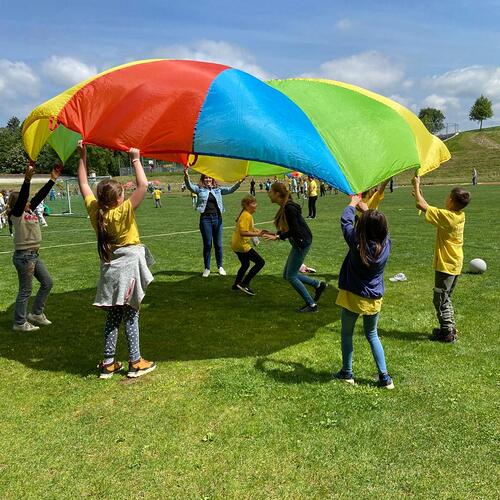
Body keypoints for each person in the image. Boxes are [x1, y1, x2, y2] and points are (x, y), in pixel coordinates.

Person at [78, 142, 156, 379]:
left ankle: (108, 363)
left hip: (110, 269)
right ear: (119, 199)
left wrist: (82, 156)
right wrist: (135, 158)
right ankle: (136, 362)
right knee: (131, 314)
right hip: (128, 268)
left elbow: (83, 184)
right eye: (122, 194)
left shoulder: (96, 211)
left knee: (113, 316)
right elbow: (143, 185)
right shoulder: (122, 211)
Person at [334, 194, 394, 389]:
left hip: (353, 295)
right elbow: (379, 228)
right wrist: (367, 210)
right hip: (374, 297)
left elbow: (345, 222)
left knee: (347, 334)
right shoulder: (386, 243)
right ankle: (385, 378)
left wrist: (352, 204)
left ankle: (347, 373)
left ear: (362, 228)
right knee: (372, 334)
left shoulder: (356, 242)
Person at [412, 176, 470, 343]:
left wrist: (416, 185)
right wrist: (419, 194)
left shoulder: (448, 217)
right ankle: (449, 328)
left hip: (446, 264)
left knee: (440, 299)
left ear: (450, 201)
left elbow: (421, 205)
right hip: (455, 263)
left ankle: (447, 333)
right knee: (445, 298)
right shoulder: (458, 215)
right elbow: (427, 208)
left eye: (447, 197)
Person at [7, 163, 62, 332]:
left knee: (47, 283)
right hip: (24, 257)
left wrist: (52, 179)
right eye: (25, 201)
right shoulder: (16, 214)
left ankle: (36, 314)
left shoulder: (29, 210)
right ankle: (19, 322)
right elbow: (23, 197)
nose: (28, 202)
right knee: (26, 290)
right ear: (18, 204)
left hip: (33, 256)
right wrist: (27, 180)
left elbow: (40, 196)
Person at [263, 182, 327, 312]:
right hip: (299, 242)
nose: (268, 194)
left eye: (270, 191)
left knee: (291, 276)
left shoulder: (289, 208)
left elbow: (295, 230)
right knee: (287, 275)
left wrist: (278, 237)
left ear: (277, 194)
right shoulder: (285, 206)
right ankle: (318, 285)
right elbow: (290, 228)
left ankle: (312, 305)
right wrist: (276, 234)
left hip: (301, 243)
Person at [184, 169, 243, 277]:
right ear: (203, 179)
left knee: (218, 245)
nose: (208, 179)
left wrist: (239, 182)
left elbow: (230, 190)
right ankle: (207, 268)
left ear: (212, 179)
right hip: (205, 219)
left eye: (210, 177)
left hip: (217, 219)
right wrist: (186, 176)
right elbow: (190, 186)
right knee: (207, 244)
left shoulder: (218, 190)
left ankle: (220, 267)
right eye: (206, 178)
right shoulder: (199, 189)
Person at [231, 195, 266, 295]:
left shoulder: (246, 214)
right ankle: (244, 283)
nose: (256, 205)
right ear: (247, 205)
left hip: (236, 244)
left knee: (245, 264)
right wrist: (257, 234)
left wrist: (260, 231)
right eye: (253, 203)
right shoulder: (247, 215)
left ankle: (236, 285)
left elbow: (249, 229)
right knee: (260, 262)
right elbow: (243, 232)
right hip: (242, 246)